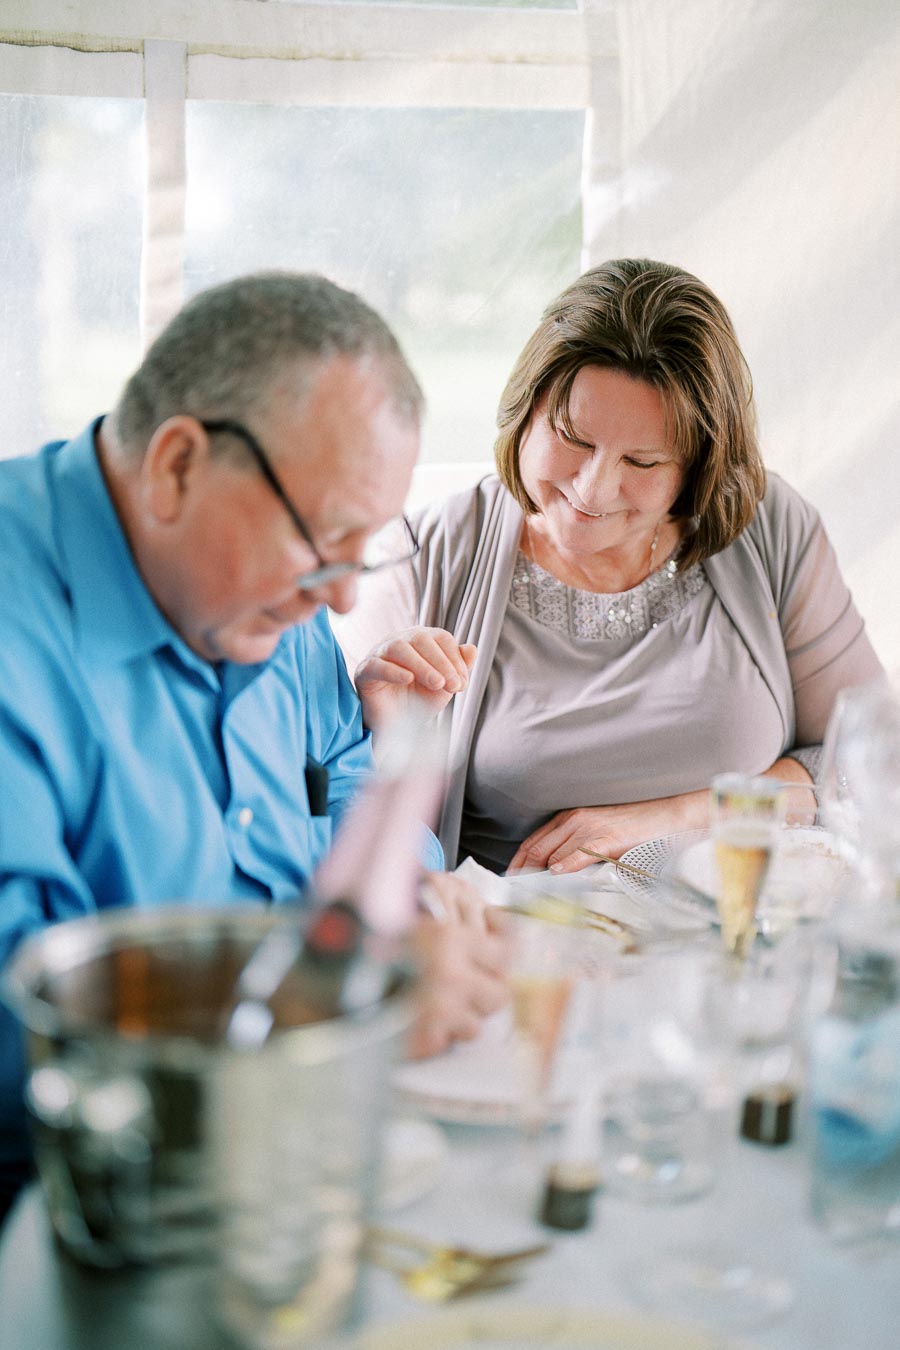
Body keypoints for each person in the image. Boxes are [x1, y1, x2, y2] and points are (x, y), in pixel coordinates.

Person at [0, 272, 508, 1223]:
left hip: (310, 1168)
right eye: (325, 540)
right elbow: (24, 1043)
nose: (347, 597)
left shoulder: (273, 604)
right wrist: (346, 1000)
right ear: (179, 466)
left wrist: (405, 898)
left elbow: (347, 781)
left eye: (364, 551)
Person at [335, 258, 883, 875]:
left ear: (696, 469)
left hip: (741, 932)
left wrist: (672, 818)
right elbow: (346, 817)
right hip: (521, 949)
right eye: (573, 437)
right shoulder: (418, 552)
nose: (593, 492)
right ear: (526, 411)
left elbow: (867, 760)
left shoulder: (770, 527)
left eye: (642, 463)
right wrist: (388, 735)